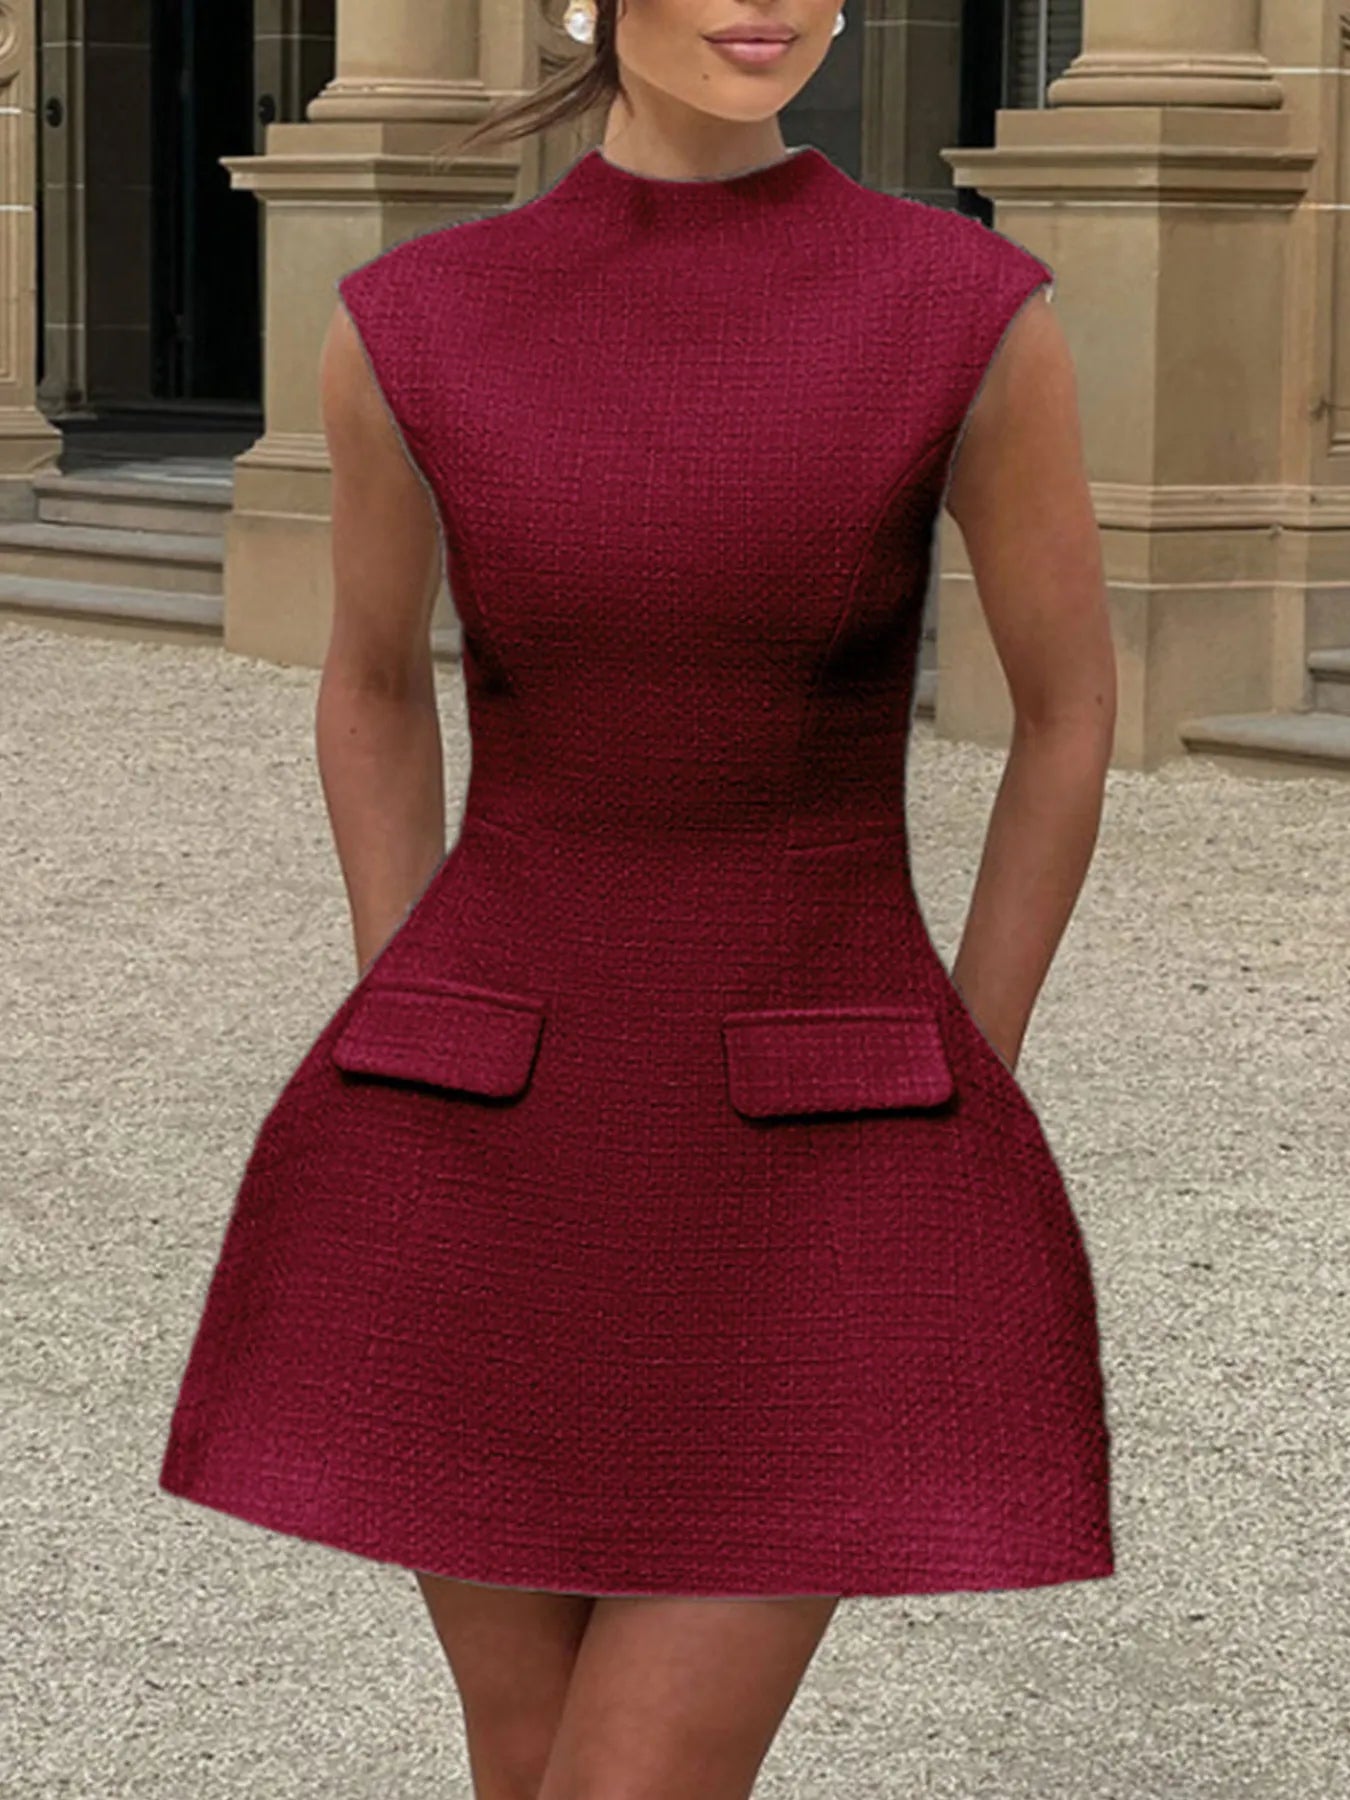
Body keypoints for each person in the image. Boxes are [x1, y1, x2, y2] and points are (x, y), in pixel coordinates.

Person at [158, 2, 1118, 1795]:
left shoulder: (962, 312)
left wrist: (965, 1075)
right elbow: (369, 682)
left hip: (822, 1151)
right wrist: (403, 1010)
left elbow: (1066, 717)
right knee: (523, 1769)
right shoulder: (411, 321)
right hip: (480, 1139)